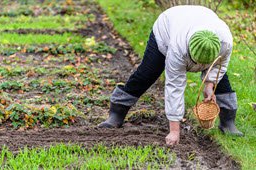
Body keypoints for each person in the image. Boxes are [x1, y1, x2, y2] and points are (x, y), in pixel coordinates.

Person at [98, 5, 243, 146]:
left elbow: (220, 65)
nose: (200, 68)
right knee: (147, 74)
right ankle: (118, 111)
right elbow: (175, 86)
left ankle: (228, 122)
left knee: (221, 79)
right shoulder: (177, 48)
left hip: (199, 19)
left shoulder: (225, 42)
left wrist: (210, 84)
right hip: (167, 27)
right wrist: (174, 130)